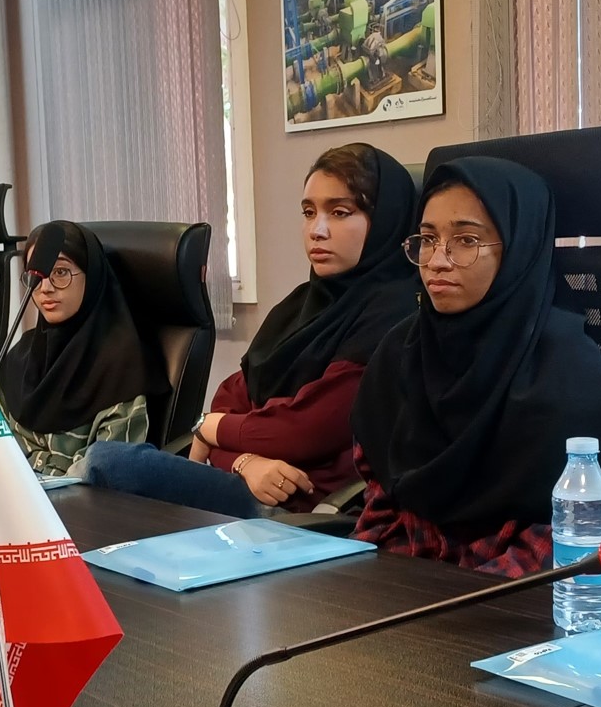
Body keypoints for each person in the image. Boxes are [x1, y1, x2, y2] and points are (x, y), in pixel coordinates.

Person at [352, 158, 601, 575]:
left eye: (465, 240)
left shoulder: (568, 372)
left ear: (517, 249)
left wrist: (457, 595)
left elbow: (574, 545)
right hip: (403, 581)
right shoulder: (399, 352)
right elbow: (378, 504)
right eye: (428, 238)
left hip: (509, 596)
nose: (437, 261)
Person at [87, 144, 419, 517]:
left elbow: (304, 431)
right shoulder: (301, 304)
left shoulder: (396, 314)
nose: (317, 230)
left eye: (340, 213)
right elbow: (230, 398)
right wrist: (243, 460)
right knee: (103, 476)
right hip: (247, 487)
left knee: (110, 464)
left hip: (305, 512)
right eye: (309, 212)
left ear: (386, 220)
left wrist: (211, 430)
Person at [0, 223, 156, 476]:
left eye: (60, 272)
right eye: (36, 275)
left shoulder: (121, 367)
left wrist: (34, 469)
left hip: (80, 500)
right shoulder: (21, 355)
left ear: (91, 276)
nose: (45, 288)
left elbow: (108, 471)